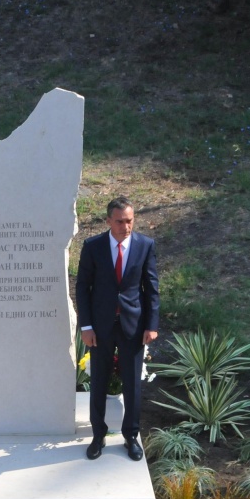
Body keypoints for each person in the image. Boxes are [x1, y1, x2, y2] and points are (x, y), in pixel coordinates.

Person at [75, 196, 160, 461]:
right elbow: (82, 288)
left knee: (133, 383)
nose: (126, 226)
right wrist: (86, 326)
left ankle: (131, 436)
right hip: (100, 327)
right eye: (121, 221)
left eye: (130, 221)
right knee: (98, 380)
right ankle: (98, 436)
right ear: (109, 220)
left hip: (133, 325)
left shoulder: (145, 245)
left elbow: (151, 288)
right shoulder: (93, 246)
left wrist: (151, 324)